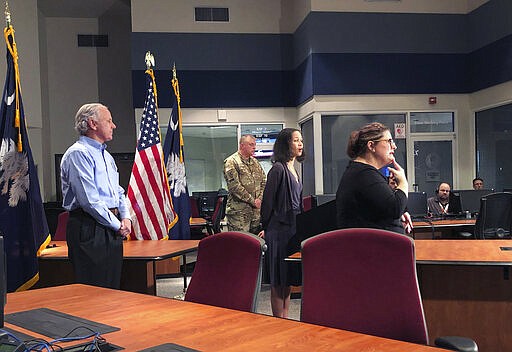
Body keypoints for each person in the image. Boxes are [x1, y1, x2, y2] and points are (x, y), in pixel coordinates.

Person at [60, 103, 131, 289]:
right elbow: (89, 201)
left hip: (110, 226)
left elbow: (118, 191)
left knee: (112, 287)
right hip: (89, 227)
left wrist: (126, 217)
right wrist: (118, 225)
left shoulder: (107, 156)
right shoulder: (78, 154)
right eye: (108, 121)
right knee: (94, 290)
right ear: (92, 123)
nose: (113, 125)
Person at [260, 128, 304, 318]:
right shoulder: (278, 169)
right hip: (278, 231)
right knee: (278, 280)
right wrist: (266, 228)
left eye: (301, 140)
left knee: (287, 279)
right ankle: (279, 320)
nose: (300, 144)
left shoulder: (294, 169)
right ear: (286, 144)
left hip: (292, 230)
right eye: (296, 140)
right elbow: (267, 203)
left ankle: (286, 318)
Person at [336, 122, 408, 234]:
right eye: (389, 141)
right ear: (371, 146)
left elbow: (381, 210)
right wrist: (403, 182)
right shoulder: (364, 175)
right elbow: (395, 208)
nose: (394, 146)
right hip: (373, 248)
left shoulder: (361, 172)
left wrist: (398, 218)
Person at [223, 134, 266, 234]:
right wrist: (253, 201)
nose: (254, 147)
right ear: (242, 145)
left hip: (255, 213)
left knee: (255, 244)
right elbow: (234, 187)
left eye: (255, 144)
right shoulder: (231, 162)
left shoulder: (255, 162)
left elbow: (264, 181)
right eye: (251, 144)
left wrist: (259, 199)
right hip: (239, 214)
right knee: (239, 245)